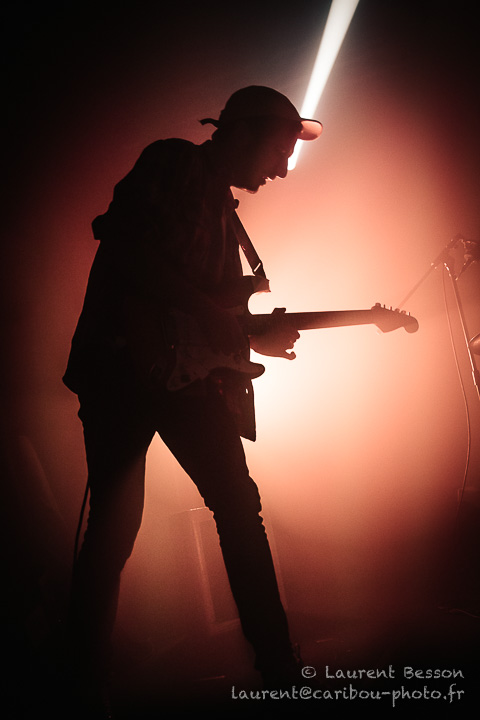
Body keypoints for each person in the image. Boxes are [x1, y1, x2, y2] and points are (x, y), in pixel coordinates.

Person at [62, 85, 322, 714]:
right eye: (279, 151)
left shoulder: (226, 215)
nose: (283, 169)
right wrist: (211, 313)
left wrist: (252, 336)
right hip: (123, 365)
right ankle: (79, 683)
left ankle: (279, 667)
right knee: (120, 525)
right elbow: (126, 245)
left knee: (235, 507)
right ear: (244, 132)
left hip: (187, 379)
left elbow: (207, 314)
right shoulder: (174, 160)